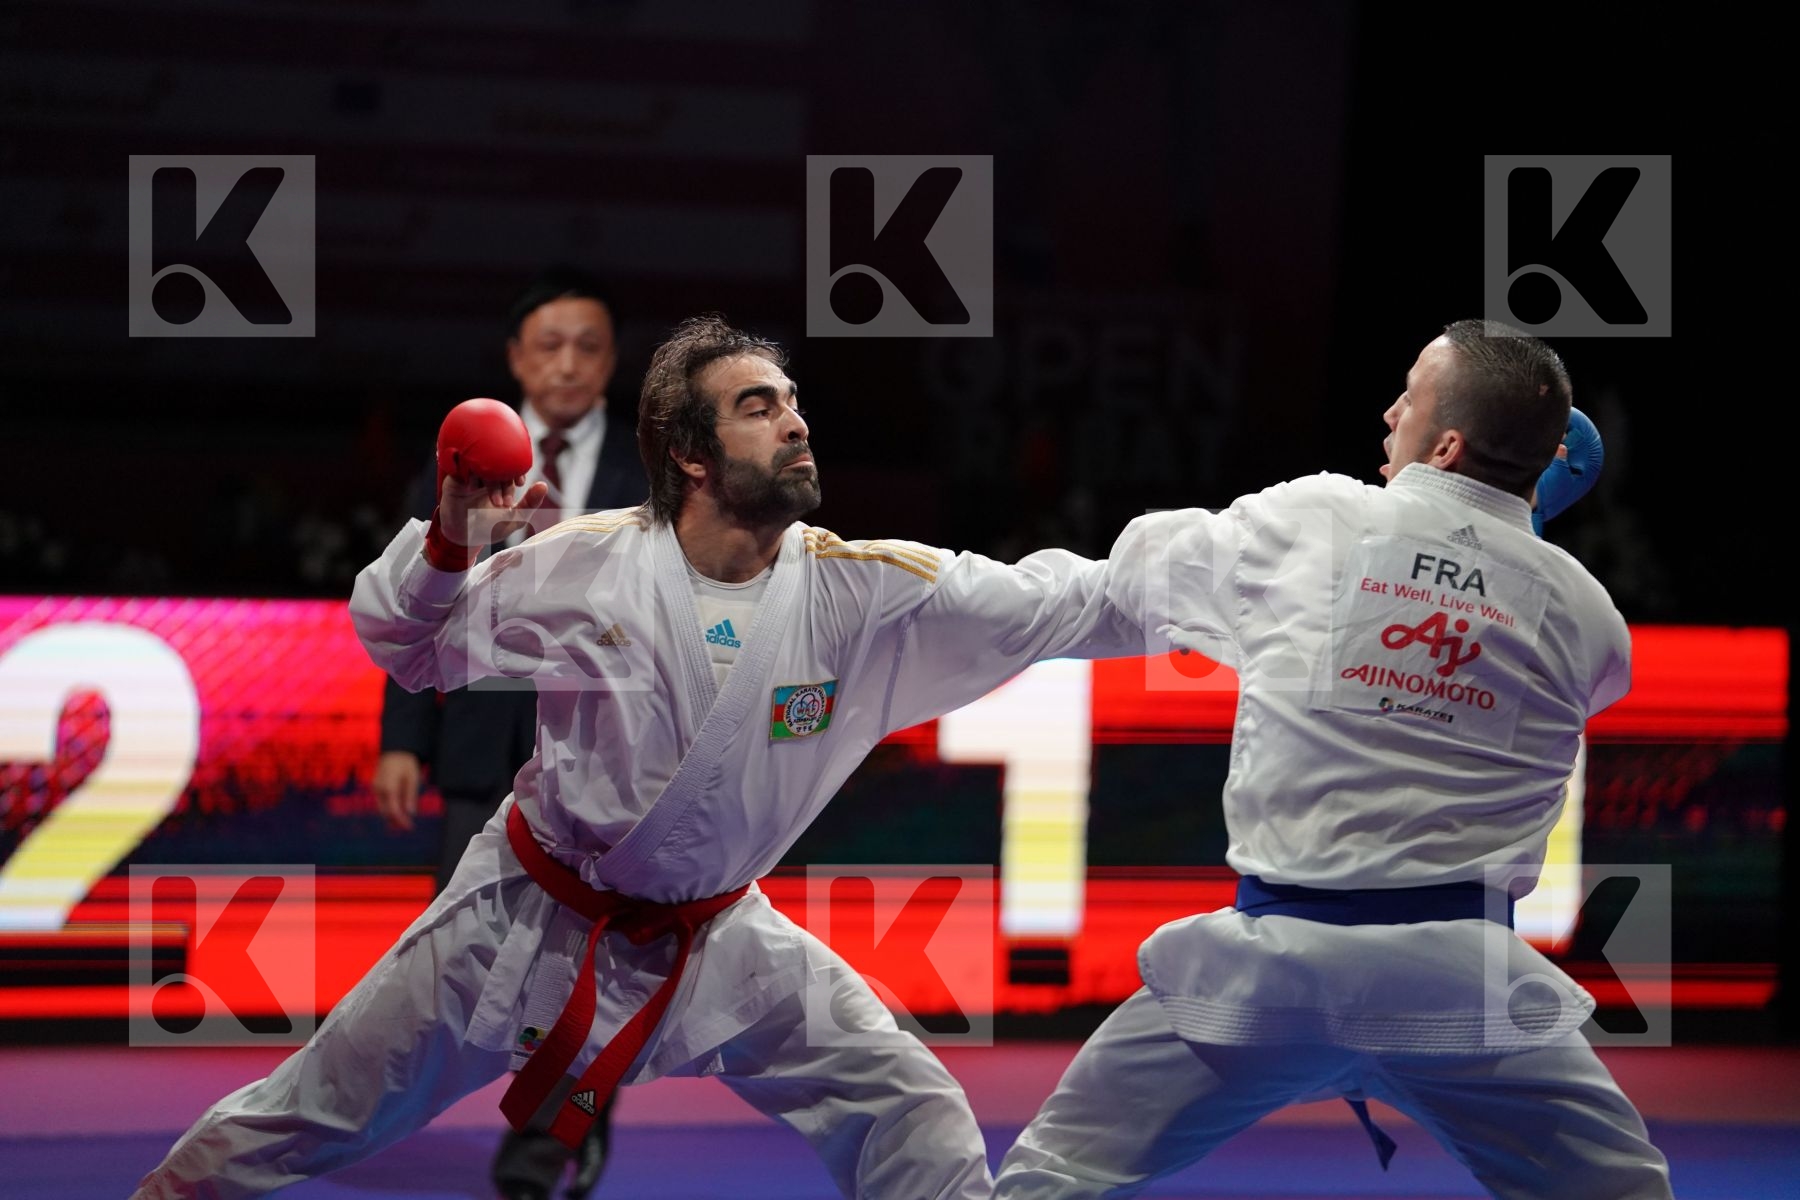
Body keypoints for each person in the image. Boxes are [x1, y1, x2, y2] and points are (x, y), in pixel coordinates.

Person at [132, 314, 1141, 1200]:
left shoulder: (863, 594)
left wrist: (1233, 570)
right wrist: (449, 531)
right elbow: (412, 645)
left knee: (907, 1102)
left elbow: (1067, 600)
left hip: (718, 938)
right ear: (692, 455)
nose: (795, 422)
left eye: (793, 401)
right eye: (759, 406)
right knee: (304, 1115)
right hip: (524, 921)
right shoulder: (590, 565)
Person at [993, 319, 1671, 1199]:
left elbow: (1135, 572)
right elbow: (1543, 653)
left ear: (1448, 442)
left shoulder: (1315, 517)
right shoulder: (1591, 618)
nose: (1389, 413)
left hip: (1265, 980)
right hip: (1461, 993)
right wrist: (1511, 539)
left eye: (1410, 397)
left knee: (1055, 1175)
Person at [369, 267, 644, 1200]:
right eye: (550, 344)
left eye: (590, 345)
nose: (568, 362)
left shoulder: (647, 469)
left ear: (612, 361)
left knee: (586, 970)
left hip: (606, 763)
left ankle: (552, 1146)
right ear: (518, 357)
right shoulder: (465, 457)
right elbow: (418, 600)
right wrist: (403, 736)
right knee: (465, 953)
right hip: (482, 752)